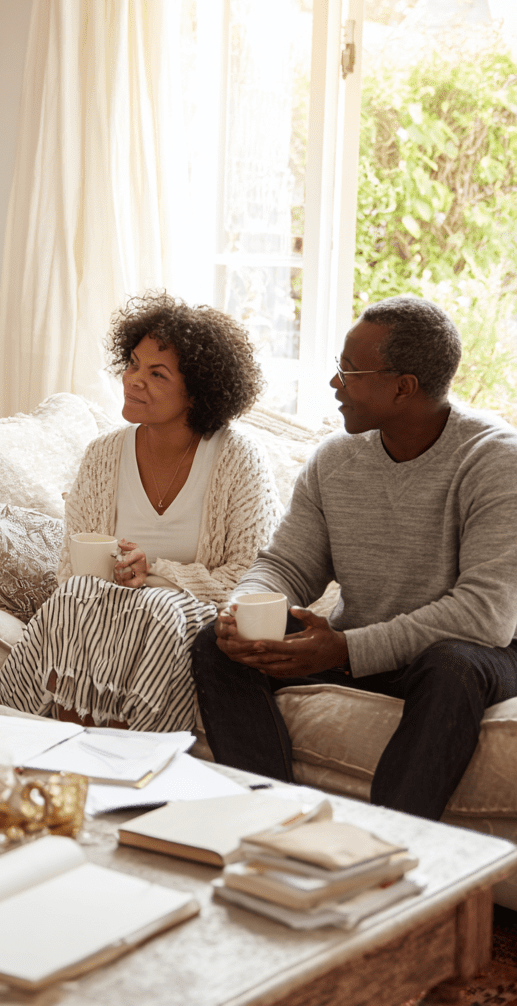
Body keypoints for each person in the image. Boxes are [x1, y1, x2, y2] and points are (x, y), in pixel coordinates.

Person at [191, 296, 517, 820]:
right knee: (219, 643)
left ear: (402, 386)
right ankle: (274, 821)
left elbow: (485, 614)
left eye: (348, 370)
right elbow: (287, 565)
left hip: (477, 652)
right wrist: (244, 607)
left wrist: (344, 649)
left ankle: (393, 842)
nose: (335, 383)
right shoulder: (335, 459)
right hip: (361, 646)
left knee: (450, 663)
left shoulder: (496, 459)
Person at [0, 292, 282, 731]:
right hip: (107, 605)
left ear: (197, 393)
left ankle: (129, 755)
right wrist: (118, 577)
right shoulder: (103, 455)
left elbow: (249, 576)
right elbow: (72, 569)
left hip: (190, 614)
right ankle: (63, 745)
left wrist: (155, 575)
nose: (133, 380)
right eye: (132, 364)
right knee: (74, 597)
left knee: (157, 609)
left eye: (157, 373)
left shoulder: (238, 458)